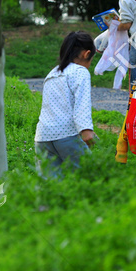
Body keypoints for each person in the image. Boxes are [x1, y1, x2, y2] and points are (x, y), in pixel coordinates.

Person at [34, 31, 97, 177]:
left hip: (43, 137)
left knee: (50, 185)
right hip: (67, 135)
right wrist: (86, 129)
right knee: (89, 177)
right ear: (86, 54)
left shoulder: (53, 72)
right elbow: (82, 103)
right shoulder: (80, 72)